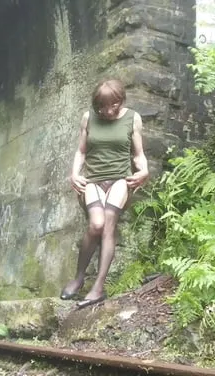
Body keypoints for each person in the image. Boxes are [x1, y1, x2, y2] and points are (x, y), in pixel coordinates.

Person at [60, 79, 149, 308]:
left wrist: (144, 170)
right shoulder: (88, 117)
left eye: (113, 106)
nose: (108, 112)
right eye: (102, 107)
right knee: (96, 224)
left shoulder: (133, 118)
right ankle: (79, 278)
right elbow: (81, 151)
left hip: (120, 179)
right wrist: (74, 173)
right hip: (93, 180)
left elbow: (138, 154)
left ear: (121, 101)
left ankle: (98, 286)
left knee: (109, 222)